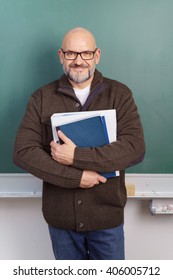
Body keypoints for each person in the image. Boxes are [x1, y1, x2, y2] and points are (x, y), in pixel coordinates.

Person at [13, 27, 145, 260]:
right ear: (61, 56)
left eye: (85, 54)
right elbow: (24, 152)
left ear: (97, 56)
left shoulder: (120, 94)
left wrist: (76, 157)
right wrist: (75, 177)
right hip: (61, 222)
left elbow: (134, 148)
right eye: (71, 54)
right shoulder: (41, 97)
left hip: (107, 219)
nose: (78, 61)